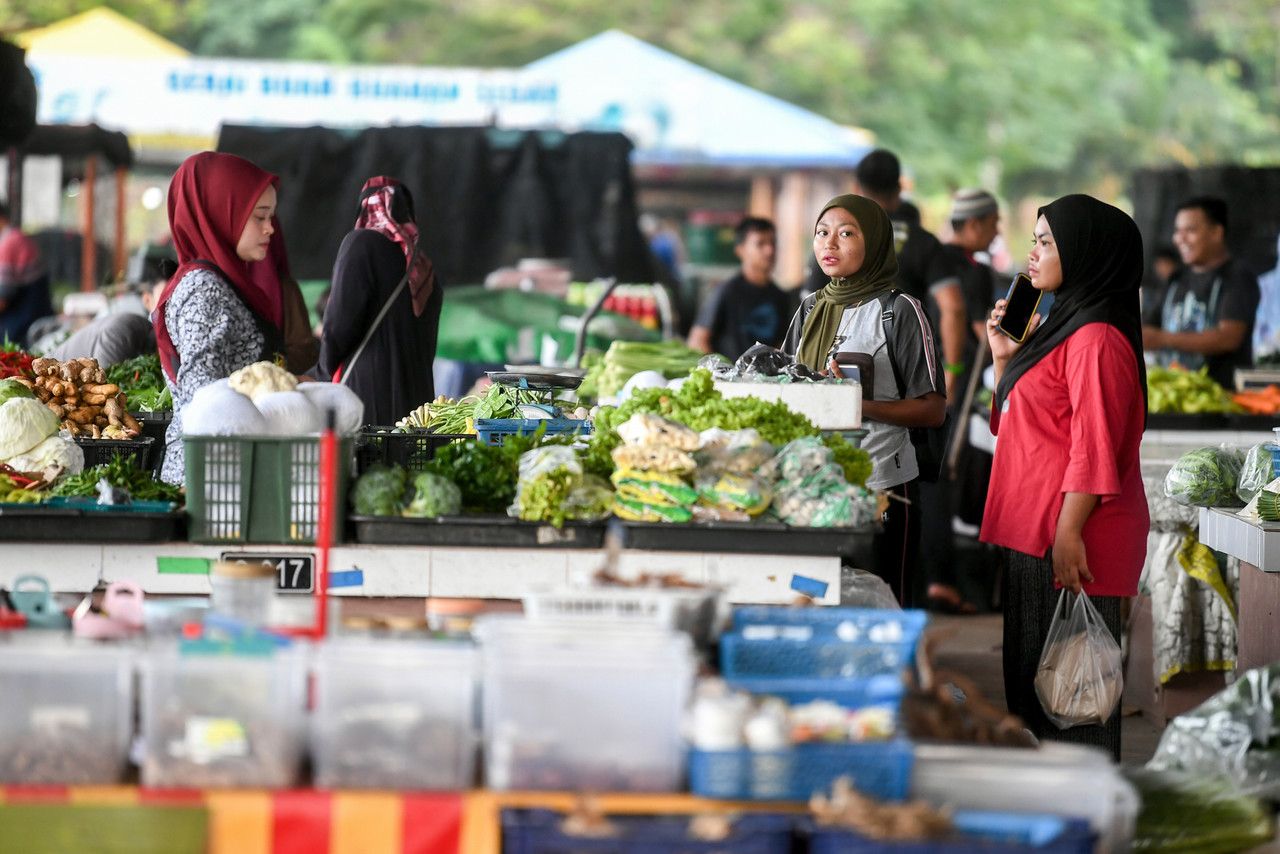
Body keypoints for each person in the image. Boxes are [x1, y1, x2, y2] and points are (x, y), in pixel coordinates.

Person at [981, 194, 1148, 760]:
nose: (1032, 254)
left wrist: (1069, 532)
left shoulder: (1097, 337)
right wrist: (1005, 358)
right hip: (1038, 529)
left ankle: (1089, 832)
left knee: (1074, 703)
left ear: (1088, 254)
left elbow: (1094, 446)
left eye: (1047, 242)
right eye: (1034, 240)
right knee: (1036, 698)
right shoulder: (1062, 324)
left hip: (1071, 539)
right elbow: (1021, 426)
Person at [783, 195, 947, 604]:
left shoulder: (899, 310)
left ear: (873, 242)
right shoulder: (809, 310)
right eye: (822, 233)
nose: (829, 244)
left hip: (883, 488)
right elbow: (785, 385)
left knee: (886, 602)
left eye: (846, 234)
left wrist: (855, 405)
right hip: (813, 488)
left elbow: (933, 408)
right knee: (815, 596)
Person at [154, 152, 290, 484]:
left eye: (270, 216)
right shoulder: (205, 291)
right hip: (209, 475)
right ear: (220, 214)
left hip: (232, 464)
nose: (270, 228)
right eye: (259, 216)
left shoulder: (226, 282)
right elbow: (204, 399)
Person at [807, 150, 967, 402]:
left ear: (857, 188)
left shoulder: (831, 244)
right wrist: (952, 372)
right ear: (899, 189)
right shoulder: (923, 242)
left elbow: (811, 311)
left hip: (838, 372)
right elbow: (953, 307)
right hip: (911, 364)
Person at [319, 176, 442, 426]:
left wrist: (321, 373)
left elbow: (338, 326)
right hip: (419, 404)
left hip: (367, 395)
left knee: (368, 463)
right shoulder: (423, 268)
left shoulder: (361, 244)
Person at [1142, 196, 1260, 388]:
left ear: (1216, 232)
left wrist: (1164, 339)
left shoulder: (1237, 277)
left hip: (1220, 400)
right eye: (1177, 231)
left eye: (1190, 230)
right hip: (1175, 396)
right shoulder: (1175, 279)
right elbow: (1148, 328)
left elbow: (1228, 338)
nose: (1180, 239)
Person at [687, 217, 792, 360]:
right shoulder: (726, 292)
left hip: (765, 380)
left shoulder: (780, 297)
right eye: (760, 244)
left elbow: (782, 345)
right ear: (740, 250)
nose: (769, 250)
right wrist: (723, 373)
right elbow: (698, 341)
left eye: (772, 243)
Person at [0, 201, 53, 346]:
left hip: (24, 324)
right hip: (39, 314)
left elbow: (3, 299)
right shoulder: (19, 237)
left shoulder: (8, 243)